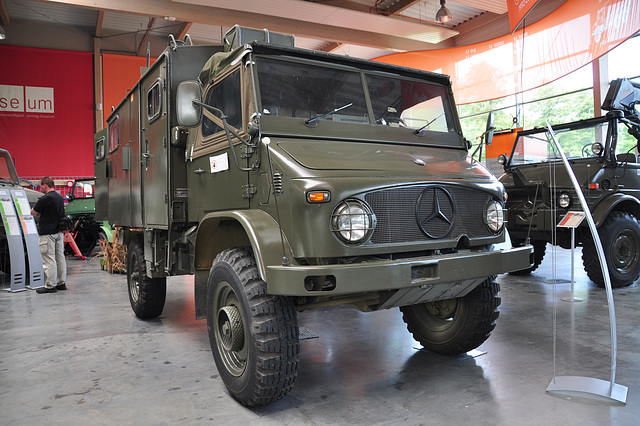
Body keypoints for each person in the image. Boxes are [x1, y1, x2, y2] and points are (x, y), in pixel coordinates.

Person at [31, 177, 67, 294]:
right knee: (60, 257)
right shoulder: (59, 197)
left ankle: (50, 285)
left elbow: (33, 212)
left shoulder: (44, 199)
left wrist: (39, 215)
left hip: (47, 233)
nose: (40, 188)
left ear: (44, 185)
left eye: (40, 186)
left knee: (48, 259)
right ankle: (61, 283)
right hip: (59, 232)